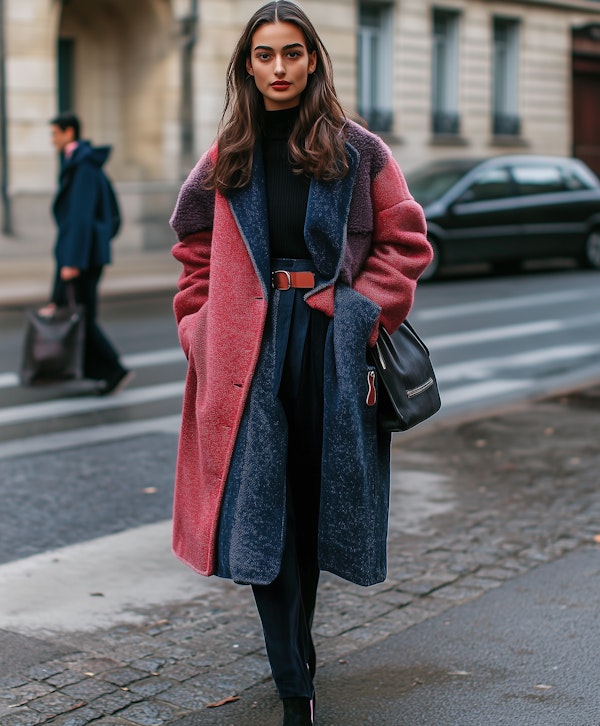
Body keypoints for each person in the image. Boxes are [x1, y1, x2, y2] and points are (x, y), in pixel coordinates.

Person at [169, 2, 432, 724]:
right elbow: (193, 252)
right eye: (264, 55)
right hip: (243, 352)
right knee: (262, 516)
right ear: (247, 65)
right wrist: (197, 327)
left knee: (308, 512)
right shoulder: (227, 154)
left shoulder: (357, 150)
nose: (278, 68)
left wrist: (355, 315)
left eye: (291, 53)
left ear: (313, 59)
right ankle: (295, 688)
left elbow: (406, 242)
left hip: (325, 347)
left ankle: (300, 662)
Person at [42, 111, 132, 395]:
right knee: (81, 314)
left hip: (80, 256)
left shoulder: (81, 167)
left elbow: (80, 218)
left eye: (55, 133)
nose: (52, 139)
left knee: (81, 316)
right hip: (83, 253)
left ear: (69, 133)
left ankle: (113, 370)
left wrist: (72, 262)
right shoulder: (81, 163)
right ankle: (100, 372)